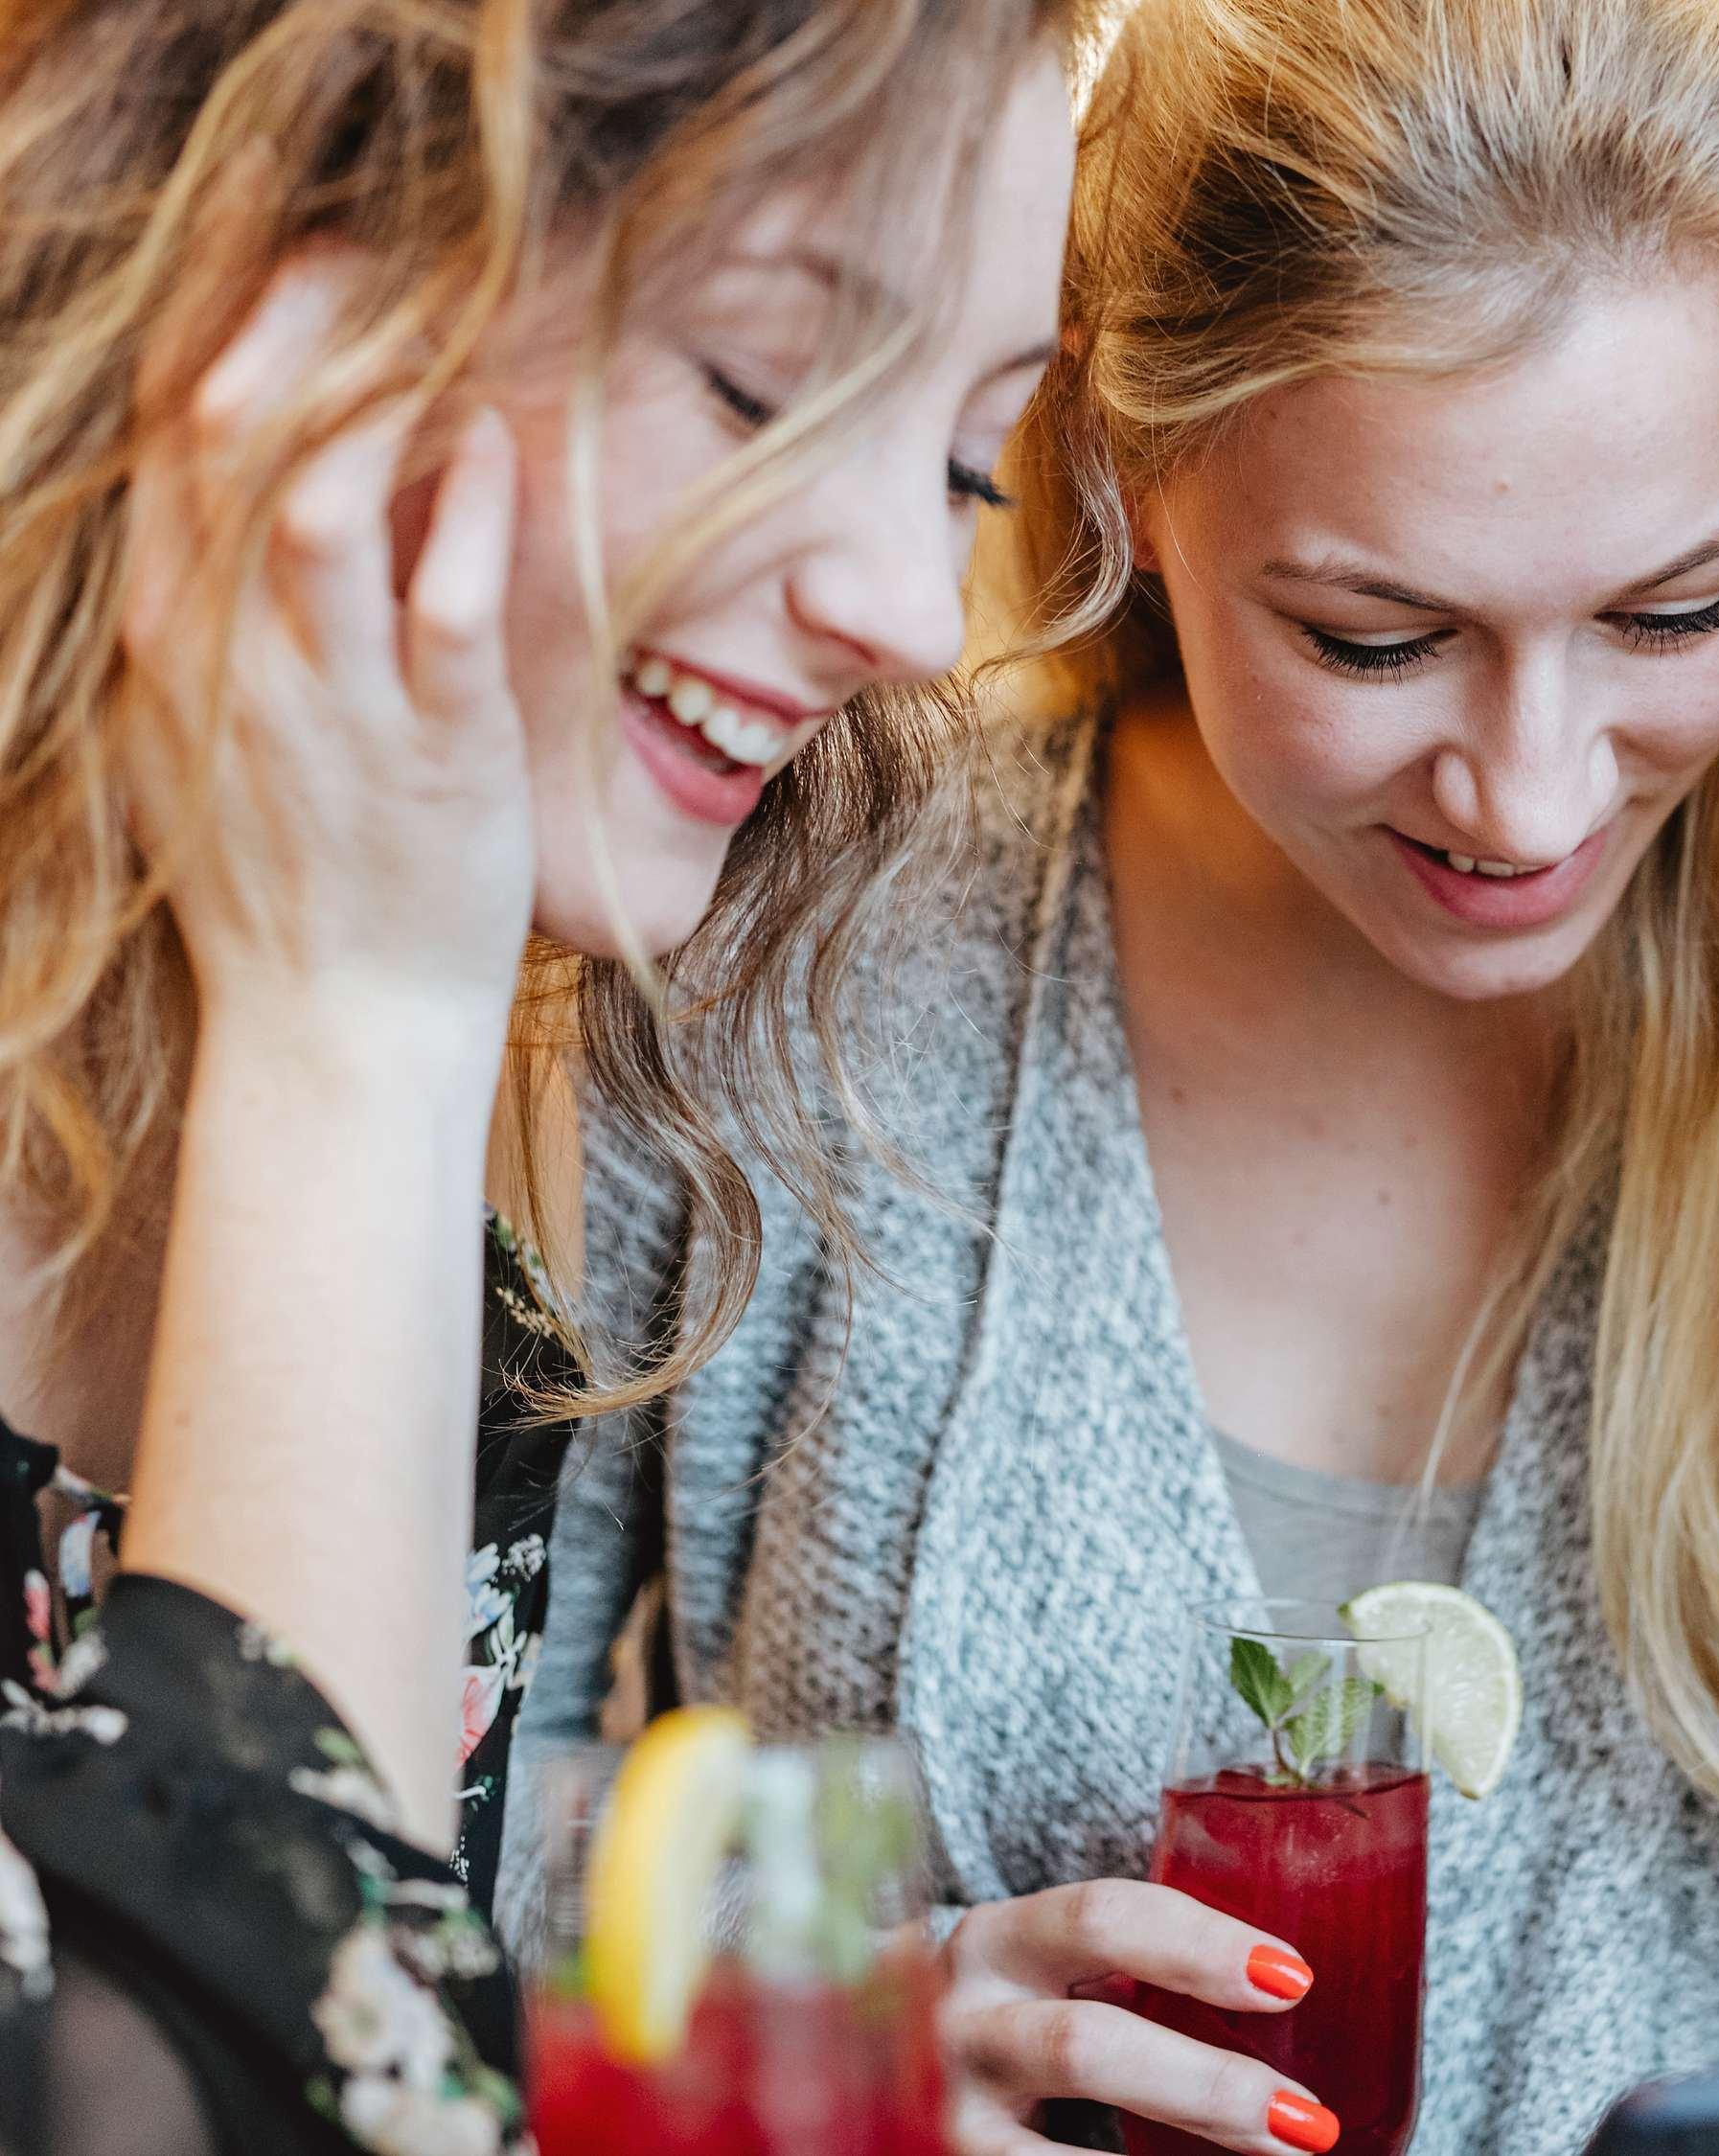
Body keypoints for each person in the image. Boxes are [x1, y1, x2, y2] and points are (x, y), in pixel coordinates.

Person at [528, 0, 1719, 2150]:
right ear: (1118, 475)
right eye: (1375, 637)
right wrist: (821, 2026)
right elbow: (369, 1785)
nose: (1530, 799)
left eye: (1672, 615)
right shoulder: (779, 931)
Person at [0, 0, 1071, 2145]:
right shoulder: (374, 1041)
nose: (914, 609)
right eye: (766, 380)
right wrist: (353, 1039)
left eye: (967, 465)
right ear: (276, 258)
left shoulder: (467, 1173)